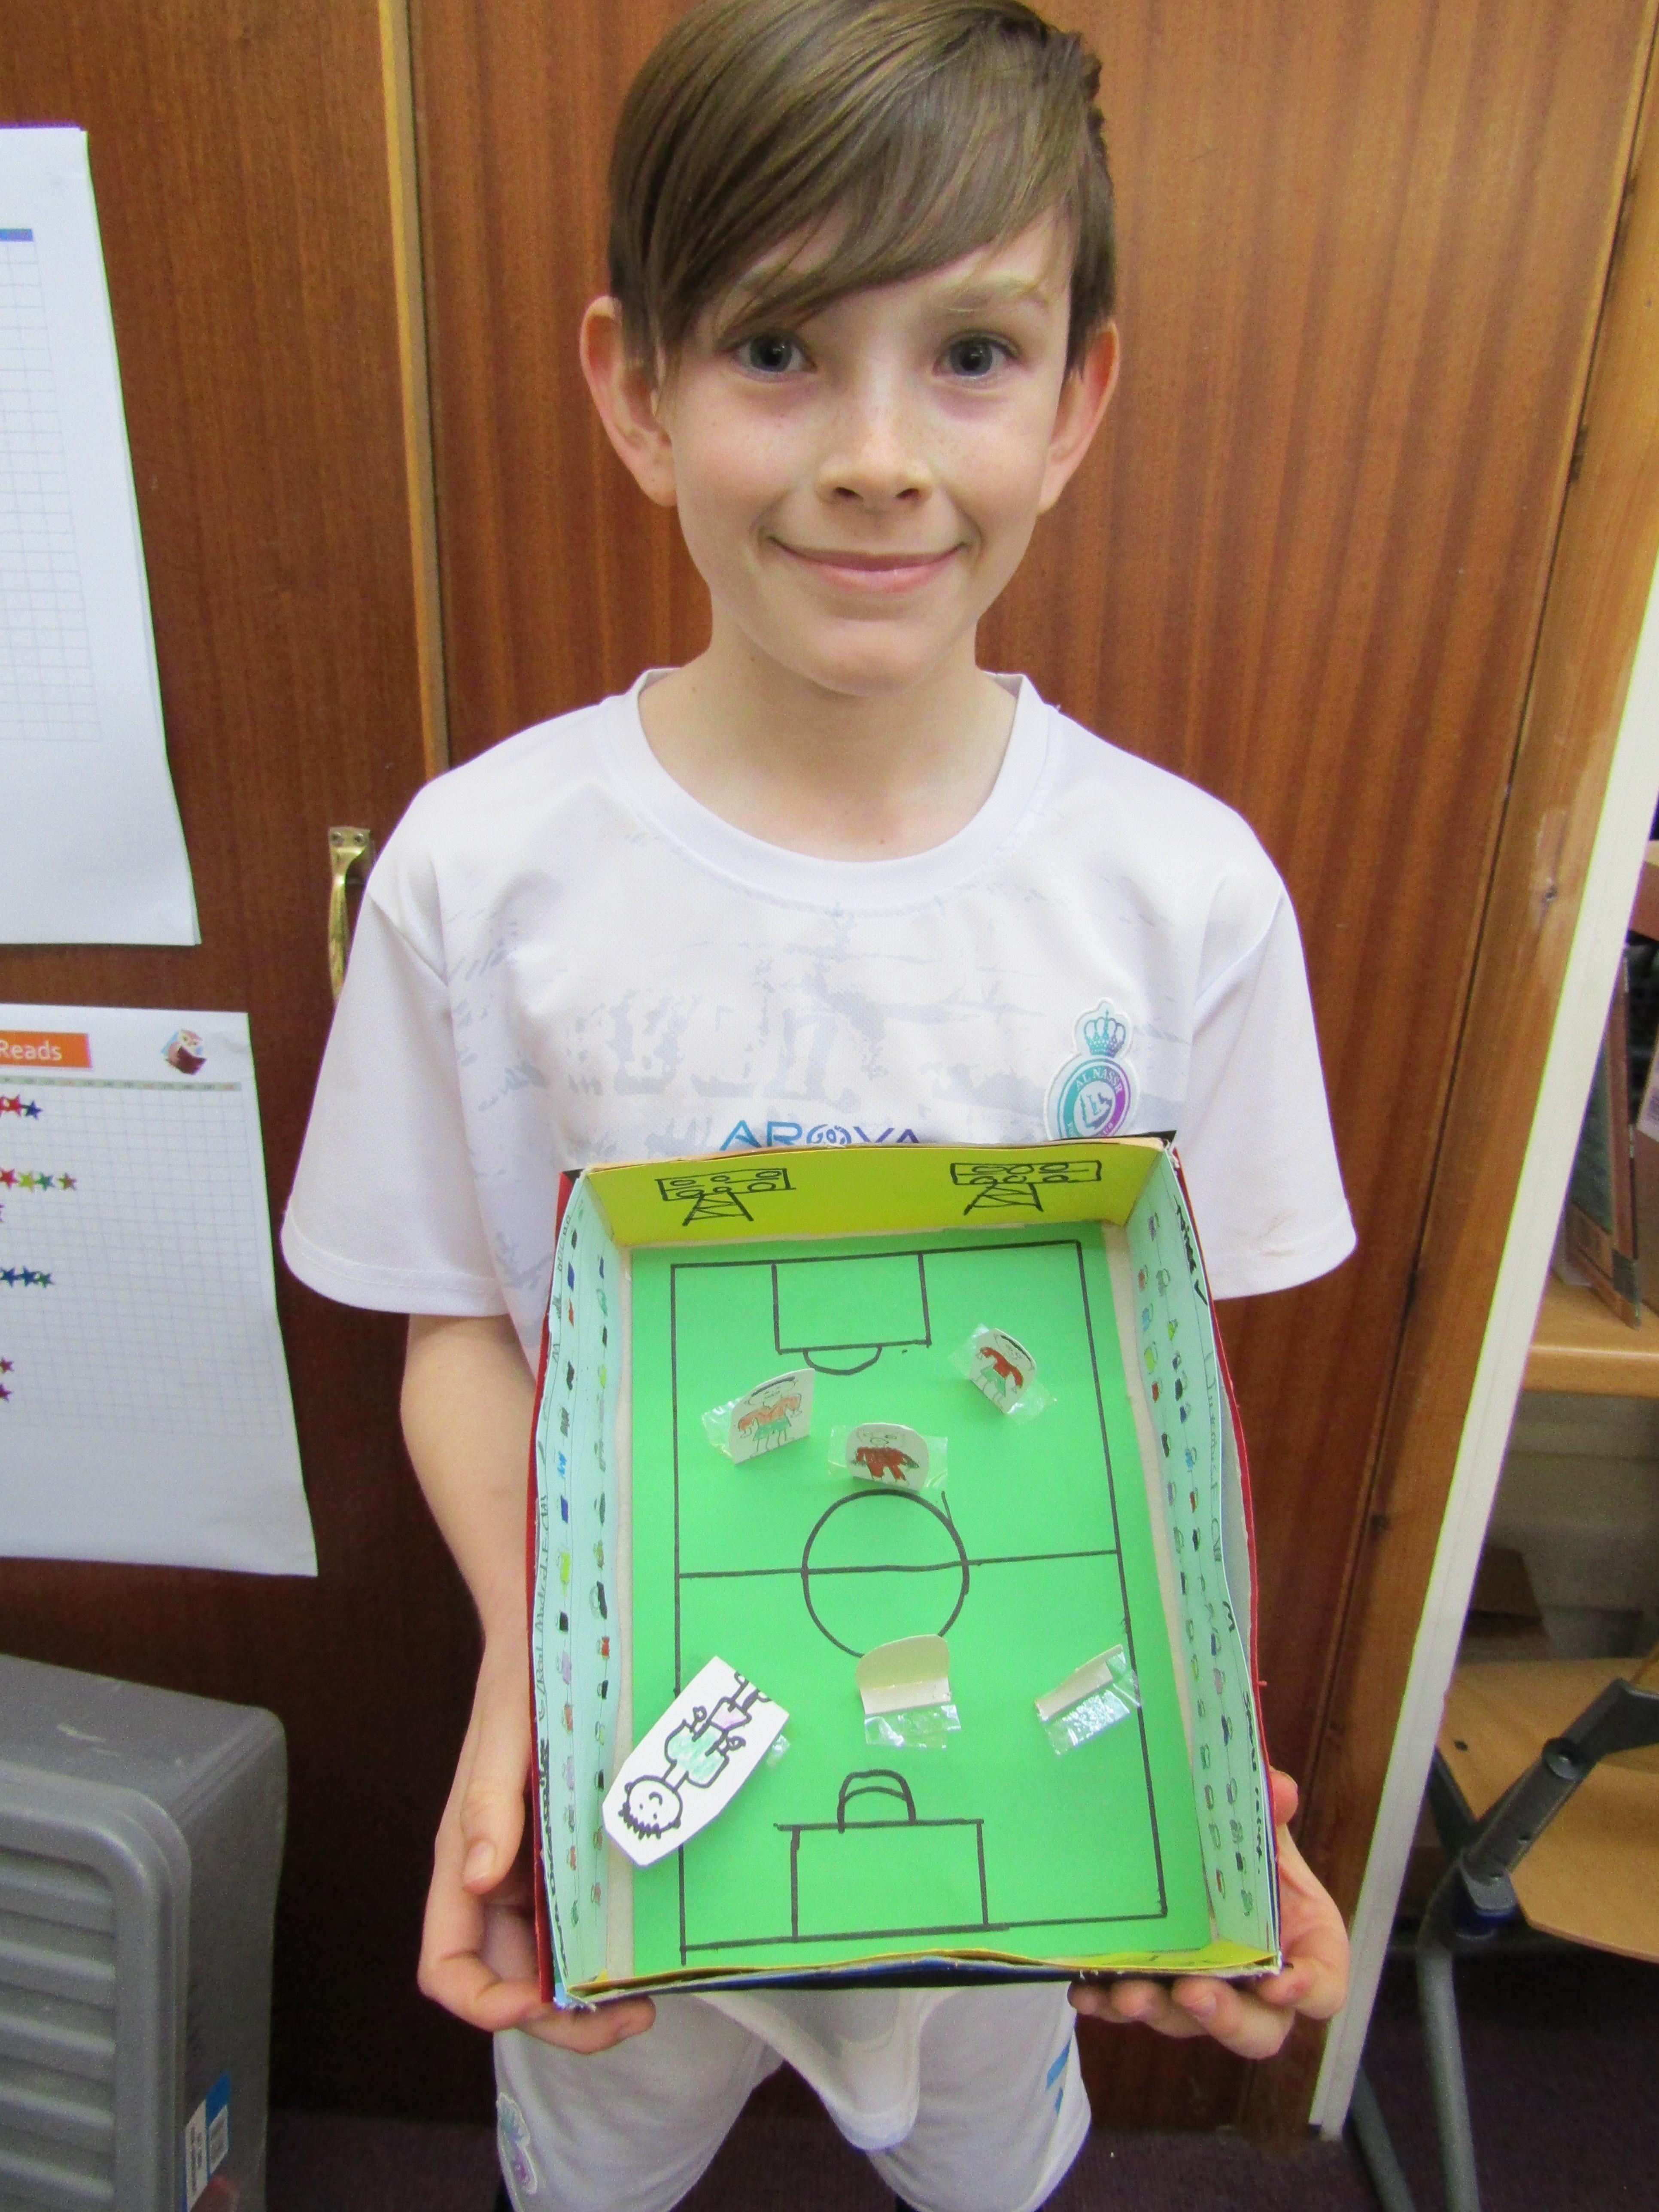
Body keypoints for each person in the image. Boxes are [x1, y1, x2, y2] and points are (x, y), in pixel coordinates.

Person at [281, 3, 1355, 2206]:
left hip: (1012, 1804)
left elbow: (1150, 1394)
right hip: (638, 1795)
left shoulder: (1184, 892)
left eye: (971, 353)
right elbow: (461, 1326)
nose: (878, 455)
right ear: (636, 391)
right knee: (597, 2166)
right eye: (779, 348)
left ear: (1077, 402)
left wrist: (1186, 1761)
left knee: (990, 2168)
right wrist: (535, 1672)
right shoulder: (483, 871)